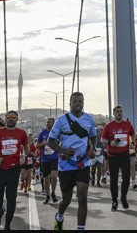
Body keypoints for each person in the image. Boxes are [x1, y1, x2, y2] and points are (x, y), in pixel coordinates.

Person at [46, 92, 97, 230]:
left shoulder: (89, 120)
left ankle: (81, 228)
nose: (78, 104)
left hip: (83, 163)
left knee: (82, 196)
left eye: (80, 101)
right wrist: (63, 150)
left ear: (83, 102)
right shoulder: (61, 121)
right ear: (70, 103)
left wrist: (92, 149)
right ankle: (59, 215)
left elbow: (93, 137)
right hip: (65, 165)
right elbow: (50, 142)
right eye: (75, 101)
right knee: (66, 200)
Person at [0, 110, 28, 230]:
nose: (11, 119)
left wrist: (24, 157)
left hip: (13, 169)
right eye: (8, 117)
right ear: (5, 119)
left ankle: (7, 224)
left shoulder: (22, 133)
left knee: (11, 198)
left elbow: (26, 148)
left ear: (17, 119)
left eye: (13, 117)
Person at [101, 105, 135, 211]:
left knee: (126, 178)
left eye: (121, 111)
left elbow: (133, 135)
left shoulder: (127, 124)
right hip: (112, 156)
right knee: (114, 180)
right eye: (117, 111)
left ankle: (123, 198)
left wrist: (132, 143)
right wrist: (110, 142)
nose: (120, 113)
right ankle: (114, 201)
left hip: (125, 155)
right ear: (113, 113)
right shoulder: (109, 125)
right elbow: (103, 140)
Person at [36, 117, 59, 204]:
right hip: (45, 159)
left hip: (54, 157)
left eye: (49, 122)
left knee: (54, 176)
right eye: (47, 122)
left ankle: (53, 192)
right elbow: (37, 146)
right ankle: (47, 195)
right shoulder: (42, 133)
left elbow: (61, 143)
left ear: (53, 124)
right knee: (46, 178)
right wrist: (43, 143)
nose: (47, 123)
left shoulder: (56, 133)